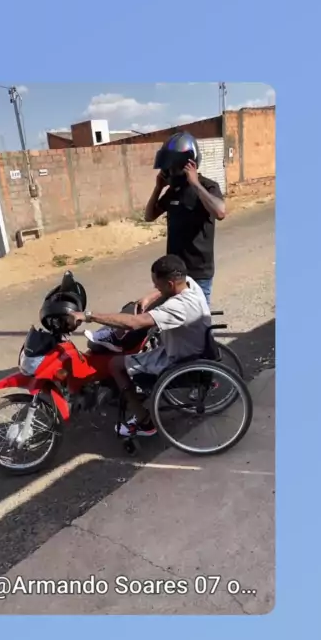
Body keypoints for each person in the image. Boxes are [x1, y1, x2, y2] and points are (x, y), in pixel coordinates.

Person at [72, 254, 211, 439]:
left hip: (178, 359)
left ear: (170, 284)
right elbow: (162, 293)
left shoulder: (178, 306)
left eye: (157, 284)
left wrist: (89, 316)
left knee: (115, 365)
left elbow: (134, 323)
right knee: (144, 323)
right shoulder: (190, 284)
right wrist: (148, 298)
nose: (155, 287)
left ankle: (144, 421)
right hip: (194, 347)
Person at [140, 131, 226, 311]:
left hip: (198, 272)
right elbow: (149, 216)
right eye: (167, 168)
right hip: (175, 274)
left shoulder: (208, 186)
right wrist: (158, 188)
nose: (169, 172)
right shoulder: (173, 191)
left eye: (172, 167)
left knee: (198, 320)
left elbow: (220, 212)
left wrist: (195, 183)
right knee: (173, 319)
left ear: (188, 164)